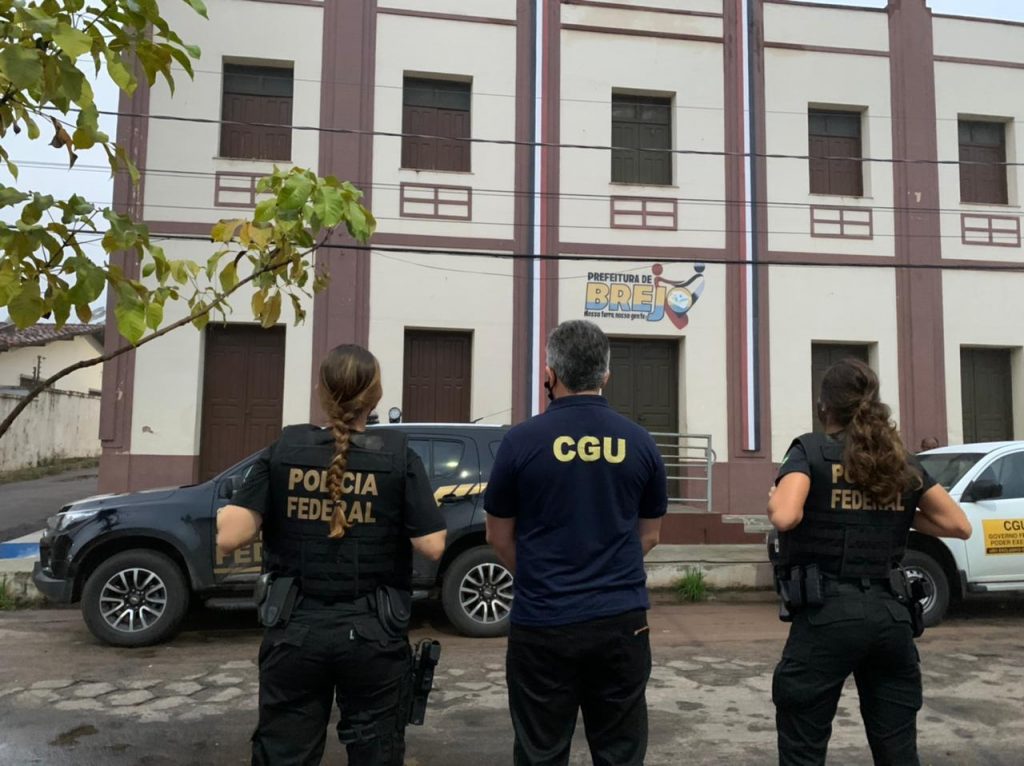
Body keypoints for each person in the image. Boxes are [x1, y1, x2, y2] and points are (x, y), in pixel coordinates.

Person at [216, 344, 447, 766]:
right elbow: (432, 546)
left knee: (284, 754)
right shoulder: (398, 456)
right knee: (376, 753)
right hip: (373, 635)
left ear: (321, 392)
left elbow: (229, 537)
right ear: (376, 396)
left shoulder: (285, 450)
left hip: (296, 631)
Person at [767, 358, 972, 766]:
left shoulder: (809, 450)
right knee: (898, 751)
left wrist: (778, 499)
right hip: (891, 616)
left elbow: (786, 516)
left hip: (826, 617)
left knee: (803, 749)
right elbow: (958, 524)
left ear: (824, 406)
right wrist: (895, 512)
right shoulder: (899, 461)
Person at [485, 319, 668, 766]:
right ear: (606, 375)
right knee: (621, 753)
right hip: (621, 622)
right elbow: (650, 535)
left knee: (540, 752)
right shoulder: (640, 442)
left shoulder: (520, 442)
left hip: (543, 622)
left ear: (549, 375)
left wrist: (542, 574)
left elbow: (498, 536)